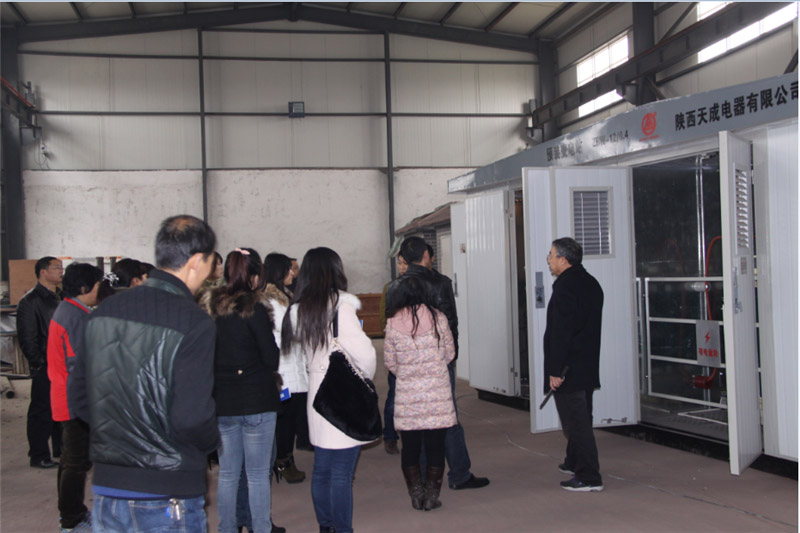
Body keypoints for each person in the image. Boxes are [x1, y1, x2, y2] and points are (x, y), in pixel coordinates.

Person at [84, 214, 220, 531]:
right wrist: (212, 441)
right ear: (197, 261)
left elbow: (80, 396)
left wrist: (119, 435)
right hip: (167, 491)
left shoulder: (104, 311)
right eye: (212, 260)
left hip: (107, 489)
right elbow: (192, 418)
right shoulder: (193, 321)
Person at [282, 247, 376, 533]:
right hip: (341, 392)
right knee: (342, 473)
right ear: (335, 270)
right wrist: (365, 380)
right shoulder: (341, 306)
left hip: (317, 393)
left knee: (322, 470)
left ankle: (326, 526)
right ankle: (343, 528)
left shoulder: (297, 310)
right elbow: (365, 354)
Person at [386, 236, 489, 491]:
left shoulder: (394, 286)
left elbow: (391, 331)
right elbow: (451, 325)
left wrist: (401, 367)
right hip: (438, 365)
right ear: (426, 255)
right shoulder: (441, 283)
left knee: (415, 421)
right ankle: (459, 475)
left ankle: (421, 480)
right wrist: (448, 361)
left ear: (403, 259)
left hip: (405, 367)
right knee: (446, 419)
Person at [199, 248, 280, 533]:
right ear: (255, 276)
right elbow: (271, 358)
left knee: (228, 475)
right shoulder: (254, 308)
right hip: (257, 400)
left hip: (223, 402)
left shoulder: (210, 309)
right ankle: (261, 528)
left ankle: (228, 528)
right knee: (257, 475)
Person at [385, 276, 456, 511]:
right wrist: (434, 369)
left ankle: (416, 495)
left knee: (410, 448)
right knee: (436, 447)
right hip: (437, 394)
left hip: (408, 396)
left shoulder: (392, 322)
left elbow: (390, 362)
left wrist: (408, 374)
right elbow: (450, 353)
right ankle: (431, 497)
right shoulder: (439, 318)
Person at [544, 237, 604, 492]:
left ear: (564, 259)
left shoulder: (566, 287)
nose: (549, 260)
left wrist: (555, 371)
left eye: (551, 255)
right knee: (581, 415)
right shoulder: (590, 283)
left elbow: (561, 333)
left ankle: (589, 476)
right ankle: (573, 461)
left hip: (569, 368)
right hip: (586, 364)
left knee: (575, 423)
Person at [47, 262, 103, 532]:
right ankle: (71, 520)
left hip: (66, 394)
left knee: (71, 459)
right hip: (74, 400)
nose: (99, 290)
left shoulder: (69, 310)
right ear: (84, 288)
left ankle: (71, 512)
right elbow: (81, 364)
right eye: (97, 285)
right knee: (76, 463)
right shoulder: (76, 317)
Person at [264, 252, 308, 483]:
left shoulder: (286, 296)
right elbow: (289, 331)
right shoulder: (273, 301)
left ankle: (284, 458)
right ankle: (283, 461)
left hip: (294, 365)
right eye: (288, 269)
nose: (293, 273)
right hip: (284, 369)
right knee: (285, 419)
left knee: (291, 417)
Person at [16, 256, 63, 469]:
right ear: (43, 272)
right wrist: (39, 363)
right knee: (41, 411)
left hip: (61, 363)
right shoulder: (30, 301)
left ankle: (60, 449)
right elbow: (28, 338)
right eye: (56, 267)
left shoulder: (60, 297)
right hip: (45, 364)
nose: (61, 271)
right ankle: (39, 455)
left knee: (59, 409)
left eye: (61, 267)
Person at [379, 253, 408, 455]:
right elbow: (384, 316)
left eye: (405, 263)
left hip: (416, 350)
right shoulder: (390, 287)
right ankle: (390, 435)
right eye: (399, 263)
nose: (402, 267)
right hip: (397, 349)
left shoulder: (421, 286)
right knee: (394, 397)